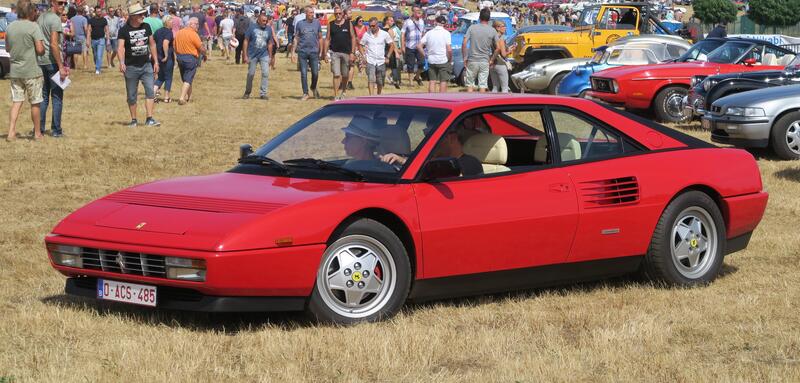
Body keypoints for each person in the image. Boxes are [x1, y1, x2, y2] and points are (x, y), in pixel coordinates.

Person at [6, 0, 46, 142]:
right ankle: (37, 133)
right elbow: (40, 49)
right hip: (31, 71)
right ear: (30, 11)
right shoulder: (33, 27)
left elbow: (7, 48)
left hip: (15, 71)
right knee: (35, 102)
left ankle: (11, 132)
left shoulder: (10, 27)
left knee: (17, 102)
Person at [117, 2, 160, 127]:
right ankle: (134, 120)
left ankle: (149, 119)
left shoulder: (146, 26)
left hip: (146, 65)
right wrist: (121, 62)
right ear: (133, 16)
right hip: (131, 67)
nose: (143, 16)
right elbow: (120, 47)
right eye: (141, 14)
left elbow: (152, 44)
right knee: (131, 95)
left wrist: (156, 61)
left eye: (143, 14)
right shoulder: (124, 30)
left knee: (150, 92)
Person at [37, 0, 69, 138]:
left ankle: (40, 129)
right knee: (57, 97)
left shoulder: (41, 17)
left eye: (65, 3)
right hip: (52, 62)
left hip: (40, 62)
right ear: (52, 3)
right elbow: (54, 44)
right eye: (60, 2)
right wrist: (61, 66)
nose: (63, 5)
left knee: (43, 97)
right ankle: (56, 130)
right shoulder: (55, 19)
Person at [462, 8, 498, 93]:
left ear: (479, 17)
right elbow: (498, 48)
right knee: (483, 85)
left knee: (470, 84)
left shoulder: (472, 28)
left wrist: (465, 58)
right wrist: (492, 59)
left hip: (472, 59)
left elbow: (464, 44)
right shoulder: (492, 30)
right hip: (485, 60)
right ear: (489, 19)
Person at [323, 5, 355, 100]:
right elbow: (327, 39)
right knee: (336, 74)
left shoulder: (348, 23)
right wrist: (325, 53)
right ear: (334, 14)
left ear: (343, 14)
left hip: (346, 53)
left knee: (345, 75)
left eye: (339, 13)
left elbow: (353, 38)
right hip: (335, 53)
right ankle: (336, 95)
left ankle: (343, 92)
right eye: (336, 13)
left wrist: (352, 53)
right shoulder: (331, 24)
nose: (338, 15)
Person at [290, 6, 322, 101]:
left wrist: (321, 51)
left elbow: (320, 37)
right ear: (306, 14)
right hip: (302, 52)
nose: (312, 14)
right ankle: (305, 93)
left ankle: (313, 87)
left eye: (313, 12)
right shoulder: (300, 24)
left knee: (315, 73)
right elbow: (296, 38)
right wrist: (292, 52)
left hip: (314, 52)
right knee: (303, 73)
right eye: (311, 13)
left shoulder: (317, 23)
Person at [360, 17, 394, 96]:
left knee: (380, 80)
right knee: (371, 79)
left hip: (381, 61)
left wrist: (388, 56)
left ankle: (378, 94)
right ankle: (371, 96)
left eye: (373, 26)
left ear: (377, 24)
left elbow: (391, 45)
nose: (371, 27)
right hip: (370, 60)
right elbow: (361, 45)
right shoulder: (366, 34)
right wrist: (364, 56)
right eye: (370, 26)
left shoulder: (384, 34)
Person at [174, 16, 205, 105]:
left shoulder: (179, 33)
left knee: (186, 78)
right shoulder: (193, 34)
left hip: (179, 57)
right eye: (197, 24)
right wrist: (205, 54)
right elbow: (201, 48)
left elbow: (175, 46)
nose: (198, 26)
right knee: (188, 79)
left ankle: (189, 97)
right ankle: (182, 97)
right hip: (190, 58)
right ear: (191, 24)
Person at [242, 13, 274, 100]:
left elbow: (270, 43)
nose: (265, 22)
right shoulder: (252, 27)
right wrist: (245, 55)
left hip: (264, 54)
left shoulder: (268, 29)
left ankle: (263, 93)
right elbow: (246, 41)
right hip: (252, 55)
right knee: (251, 74)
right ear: (258, 20)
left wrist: (270, 57)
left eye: (266, 21)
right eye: (263, 21)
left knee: (265, 73)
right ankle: (247, 92)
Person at [417, 15, 451, 93]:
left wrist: (425, 55)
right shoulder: (446, 33)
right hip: (442, 59)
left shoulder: (429, 33)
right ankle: (442, 99)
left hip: (431, 59)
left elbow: (419, 46)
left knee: (432, 81)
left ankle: (432, 99)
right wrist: (450, 58)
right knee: (443, 80)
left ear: (435, 22)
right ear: (444, 24)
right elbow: (449, 49)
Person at [400, 6, 425, 86]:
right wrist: (403, 46)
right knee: (410, 65)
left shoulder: (422, 21)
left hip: (419, 46)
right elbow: (402, 34)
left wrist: (424, 43)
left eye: (419, 10)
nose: (418, 12)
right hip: (410, 46)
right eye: (416, 10)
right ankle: (411, 82)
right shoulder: (407, 21)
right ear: (413, 12)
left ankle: (417, 76)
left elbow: (423, 33)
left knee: (422, 63)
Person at [153, 15, 174, 103]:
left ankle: (152, 94)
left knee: (160, 77)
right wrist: (166, 55)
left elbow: (152, 43)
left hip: (158, 57)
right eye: (171, 21)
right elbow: (165, 43)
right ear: (167, 22)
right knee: (168, 77)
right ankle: (166, 97)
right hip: (166, 58)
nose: (173, 23)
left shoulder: (157, 31)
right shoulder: (169, 32)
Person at [489, 20, 510, 93]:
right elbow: (503, 54)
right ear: (497, 28)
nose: (505, 28)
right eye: (503, 26)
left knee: (495, 87)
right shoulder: (501, 39)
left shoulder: (491, 38)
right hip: (500, 64)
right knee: (504, 88)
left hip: (492, 63)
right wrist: (511, 50)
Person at [87, 6, 108, 74]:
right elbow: (89, 31)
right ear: (95, 12)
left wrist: (108, 40)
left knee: (99, 55)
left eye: (100, 11)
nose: (99, 12)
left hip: (101, 40)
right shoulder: (91, 20)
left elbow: (107, 30)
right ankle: (97, 66)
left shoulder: (104, 20)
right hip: (93, 40)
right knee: (95, 55)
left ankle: (97, 69)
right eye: (98, 11)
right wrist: (88, 40)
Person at [383, 15, 402, 89]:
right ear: (386, 21)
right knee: (393, 67)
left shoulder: (381, 29)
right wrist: (396, 52)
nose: (393, 22)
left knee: (383, 67)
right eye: (391, 20)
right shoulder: (390, 30)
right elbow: (393, 42)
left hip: (384, 49)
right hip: (389, 50)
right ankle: (395, 81)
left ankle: (381, 82)